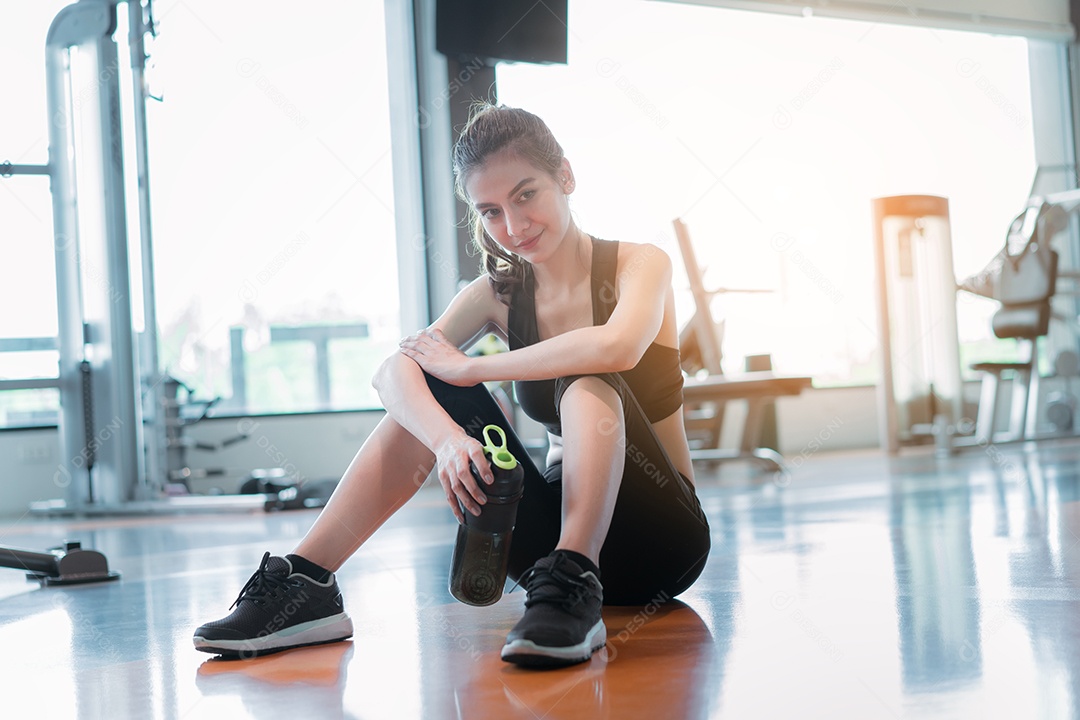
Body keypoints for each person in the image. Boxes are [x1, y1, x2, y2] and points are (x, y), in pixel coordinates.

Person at [193, 104, 711, 668]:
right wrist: (446, 439)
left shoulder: (641, 264)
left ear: (565, 175)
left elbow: (616, 347)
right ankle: (308, 583)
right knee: (425, 393)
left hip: (662, 538)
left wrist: (474, 368)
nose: (513, 227)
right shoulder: (497, 293)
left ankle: (577, 575)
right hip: (541, 547)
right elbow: (392, 371)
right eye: (490, 211)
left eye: (525, 195)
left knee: (585, 376)